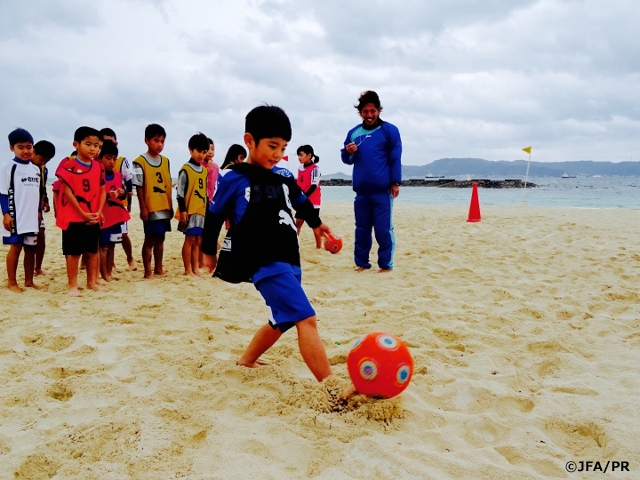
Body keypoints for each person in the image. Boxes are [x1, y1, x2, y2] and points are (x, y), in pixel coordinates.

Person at [201, 105, 336, 383]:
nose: (278, 154)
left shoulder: (283, 177)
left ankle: (246, 361)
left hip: (289, 257)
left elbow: (301, 202)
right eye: (272, 146)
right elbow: (214, 215)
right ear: (249, 140)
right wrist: (207, 251)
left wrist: (317, 224)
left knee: (282, 319)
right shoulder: (234, 178)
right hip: (263, 260)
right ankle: (330, 384)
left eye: (283, 147)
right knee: (306, 318)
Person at [340, 90, 402, 272]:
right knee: (362, 230)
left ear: (379, 110)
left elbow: (395, 157)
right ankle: (362, 263)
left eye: (373, 111)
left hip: (382, 191)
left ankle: (385, 264)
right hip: (361, 192)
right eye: (365, 112)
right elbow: (346, 158)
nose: (369, 115)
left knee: (383, 230)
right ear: (360, 113)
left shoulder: (389, 130)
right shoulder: (353, 133)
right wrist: (347, 152)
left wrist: (395, 182)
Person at [55, 126, 106, 296]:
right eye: (88, 144)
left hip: (93, 215)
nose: (93, 148)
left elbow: (102, 190)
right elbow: (68, 192)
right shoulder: (69, 165)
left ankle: (92, 282)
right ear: (76, 144)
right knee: (73, 252)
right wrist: (82, 214)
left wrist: (99, 211)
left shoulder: (99, 167)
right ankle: (73, 286)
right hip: (74, 217)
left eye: (97, 145)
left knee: (92, 250)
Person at [1, 128, 42, 293]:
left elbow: (37, 193)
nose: (26, 151)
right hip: (15, 215)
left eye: (29, 147)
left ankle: (29, 281)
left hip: (32, 216)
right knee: (16, 247)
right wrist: (6, 214)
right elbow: (3, 193)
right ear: (12, 148)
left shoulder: (36, 169)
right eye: (21, 147)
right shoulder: (7, 167)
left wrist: (38, 212)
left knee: (31, 248)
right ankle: (12, 282)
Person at [132, 124, 173, 279]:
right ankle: (148, 271)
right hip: (151, 206)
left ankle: (159, 268)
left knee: (161, 238)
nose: (160, 144)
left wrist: (170, 205)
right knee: (150, 239)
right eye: (156, 140)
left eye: (162, 141)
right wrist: (143, 207)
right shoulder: (139, 162)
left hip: (164, 205)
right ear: (146, 141)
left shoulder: (165, 161)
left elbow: (167, 184)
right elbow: (139, 186)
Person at [100, 128, 137, 271]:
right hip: (102, 212)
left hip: (118, 208)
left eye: (111, 141)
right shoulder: (97, 167)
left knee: (120, 236)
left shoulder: (120, 161)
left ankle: (129, 259)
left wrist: (125, 199)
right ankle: (105, 269)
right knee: (103, 244)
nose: (111, 161)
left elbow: (128, 182)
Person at [176, 133, 209, 277]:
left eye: (204, 152)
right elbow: (180, 192)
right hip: (189, 210)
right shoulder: (186, 169)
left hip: (200, 210)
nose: (201, 155)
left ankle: (195, 268)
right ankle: (187, 270)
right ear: (190, 149)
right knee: (189, 239)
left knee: (197, 240)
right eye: (198, 151)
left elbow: (205, 192)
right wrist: (183, 210)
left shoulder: (204, 171)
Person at [98, 140, 131, 281]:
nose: (111, 162)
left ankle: (109, 272)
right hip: (104, 215)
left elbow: (124, 192)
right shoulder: (98, 174)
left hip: (116, 215)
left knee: (112, 245)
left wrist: (121, 192)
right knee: (103, 246)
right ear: (100, 158)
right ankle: (103, 274)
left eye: (114, 159)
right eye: (108, 158)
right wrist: (106, 196)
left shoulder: (117, 175)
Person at [31, 140, 56, 276]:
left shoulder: (43, 169)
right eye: (41, 159)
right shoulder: (25, 166)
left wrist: (45, 200)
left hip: (37, 208)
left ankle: (38, 268)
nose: (43, 162)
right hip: (24, 208)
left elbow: (42, 186)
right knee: (22, 242)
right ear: (33, 152)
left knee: (41, 236)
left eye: (46, 160)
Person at [295, 145, 322, 248]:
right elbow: (299, 184)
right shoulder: (300, 168)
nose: (299, 157)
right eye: (298, 155)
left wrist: (304, 197)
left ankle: (318, 246)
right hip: (302, 201)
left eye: (301, 155)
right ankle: (294, 245)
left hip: (313, 201)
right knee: (298, 222)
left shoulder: (315, 169)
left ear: (309, 155)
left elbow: (314, 186)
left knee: (315, 225)